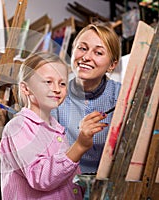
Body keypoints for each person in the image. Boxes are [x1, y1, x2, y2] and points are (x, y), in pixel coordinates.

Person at [0, 52, 109, 199]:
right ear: (25, 89)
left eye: (62, 83)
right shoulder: (18, 127)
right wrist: (79, 146)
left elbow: (68, 179)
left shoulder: (56, 129)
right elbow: (41, 178)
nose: (57, 89)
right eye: (48, 82)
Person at [51, 24, 121, 173]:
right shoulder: (55, 94)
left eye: (98, 53)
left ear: (112, 64)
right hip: (64, 181)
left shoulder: (121, 96)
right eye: (82, 48)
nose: (86, 57)